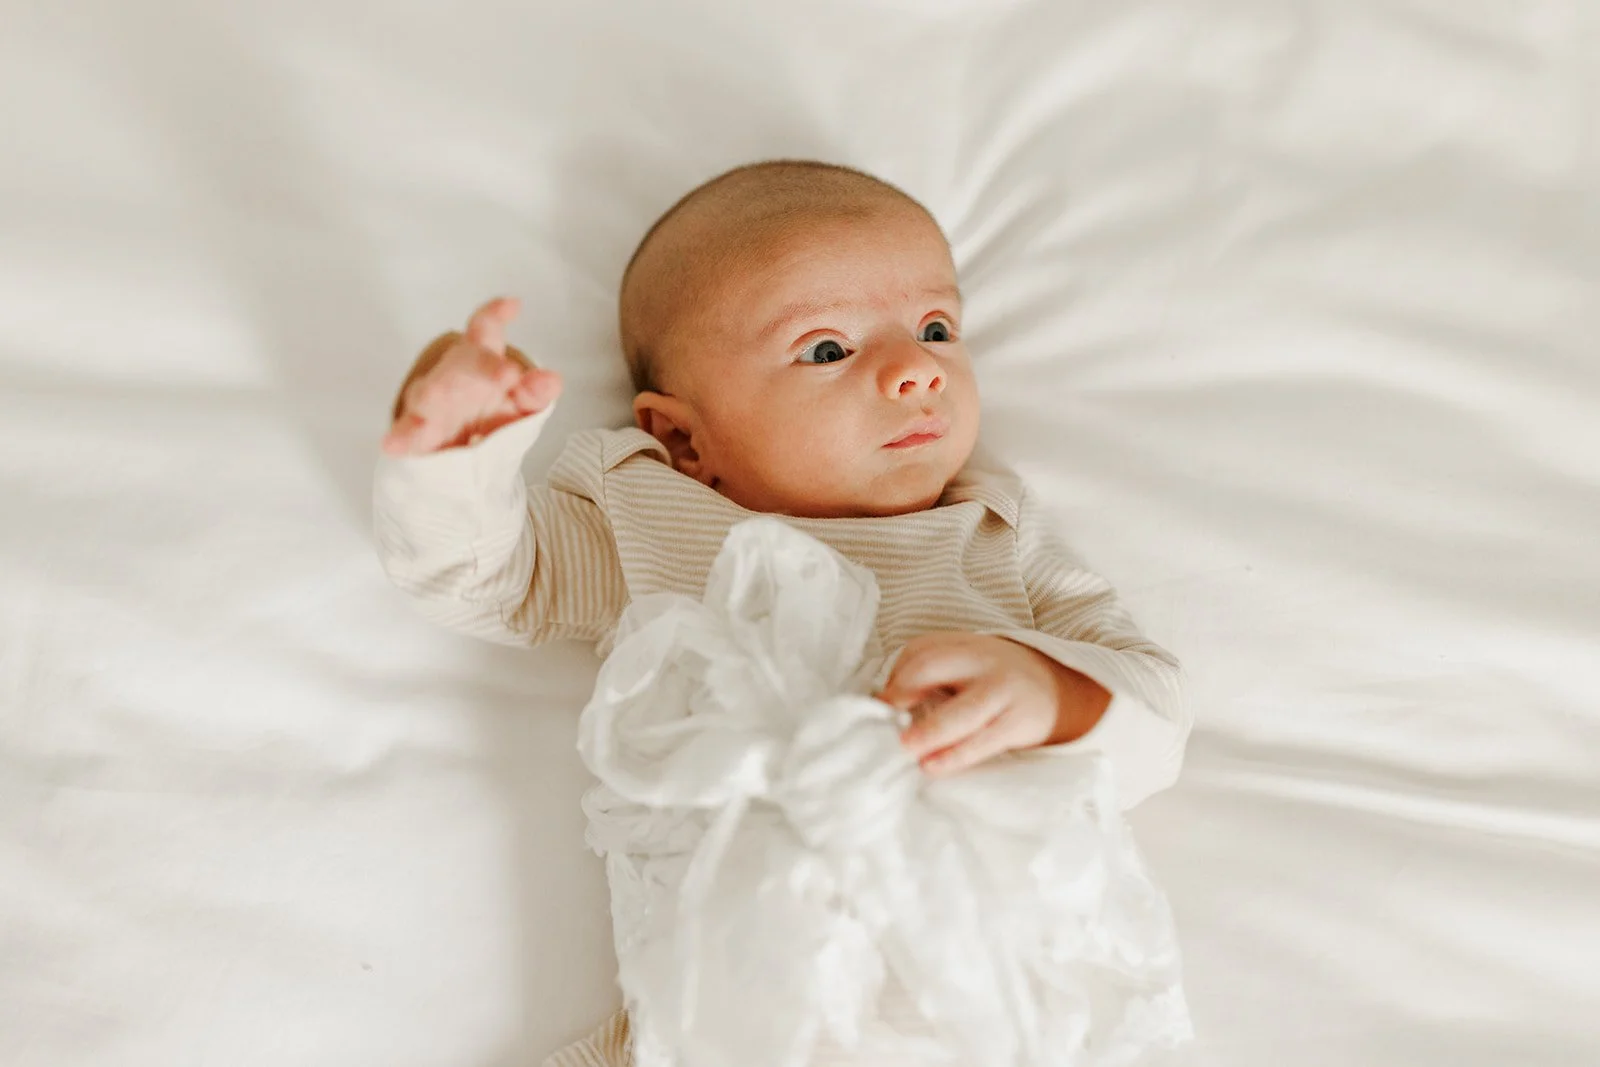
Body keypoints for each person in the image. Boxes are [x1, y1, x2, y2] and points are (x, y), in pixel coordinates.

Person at [373, 160, 1190, 1067]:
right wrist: (456, 463)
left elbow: (1156, 706)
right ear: (686, 438)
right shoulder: (648, 517)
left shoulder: (991, 532)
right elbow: (487, 578)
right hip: (711, 1016)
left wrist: (1052, 696)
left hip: (988, 1003)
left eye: (935, 327)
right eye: (829, 348)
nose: (917, 369)